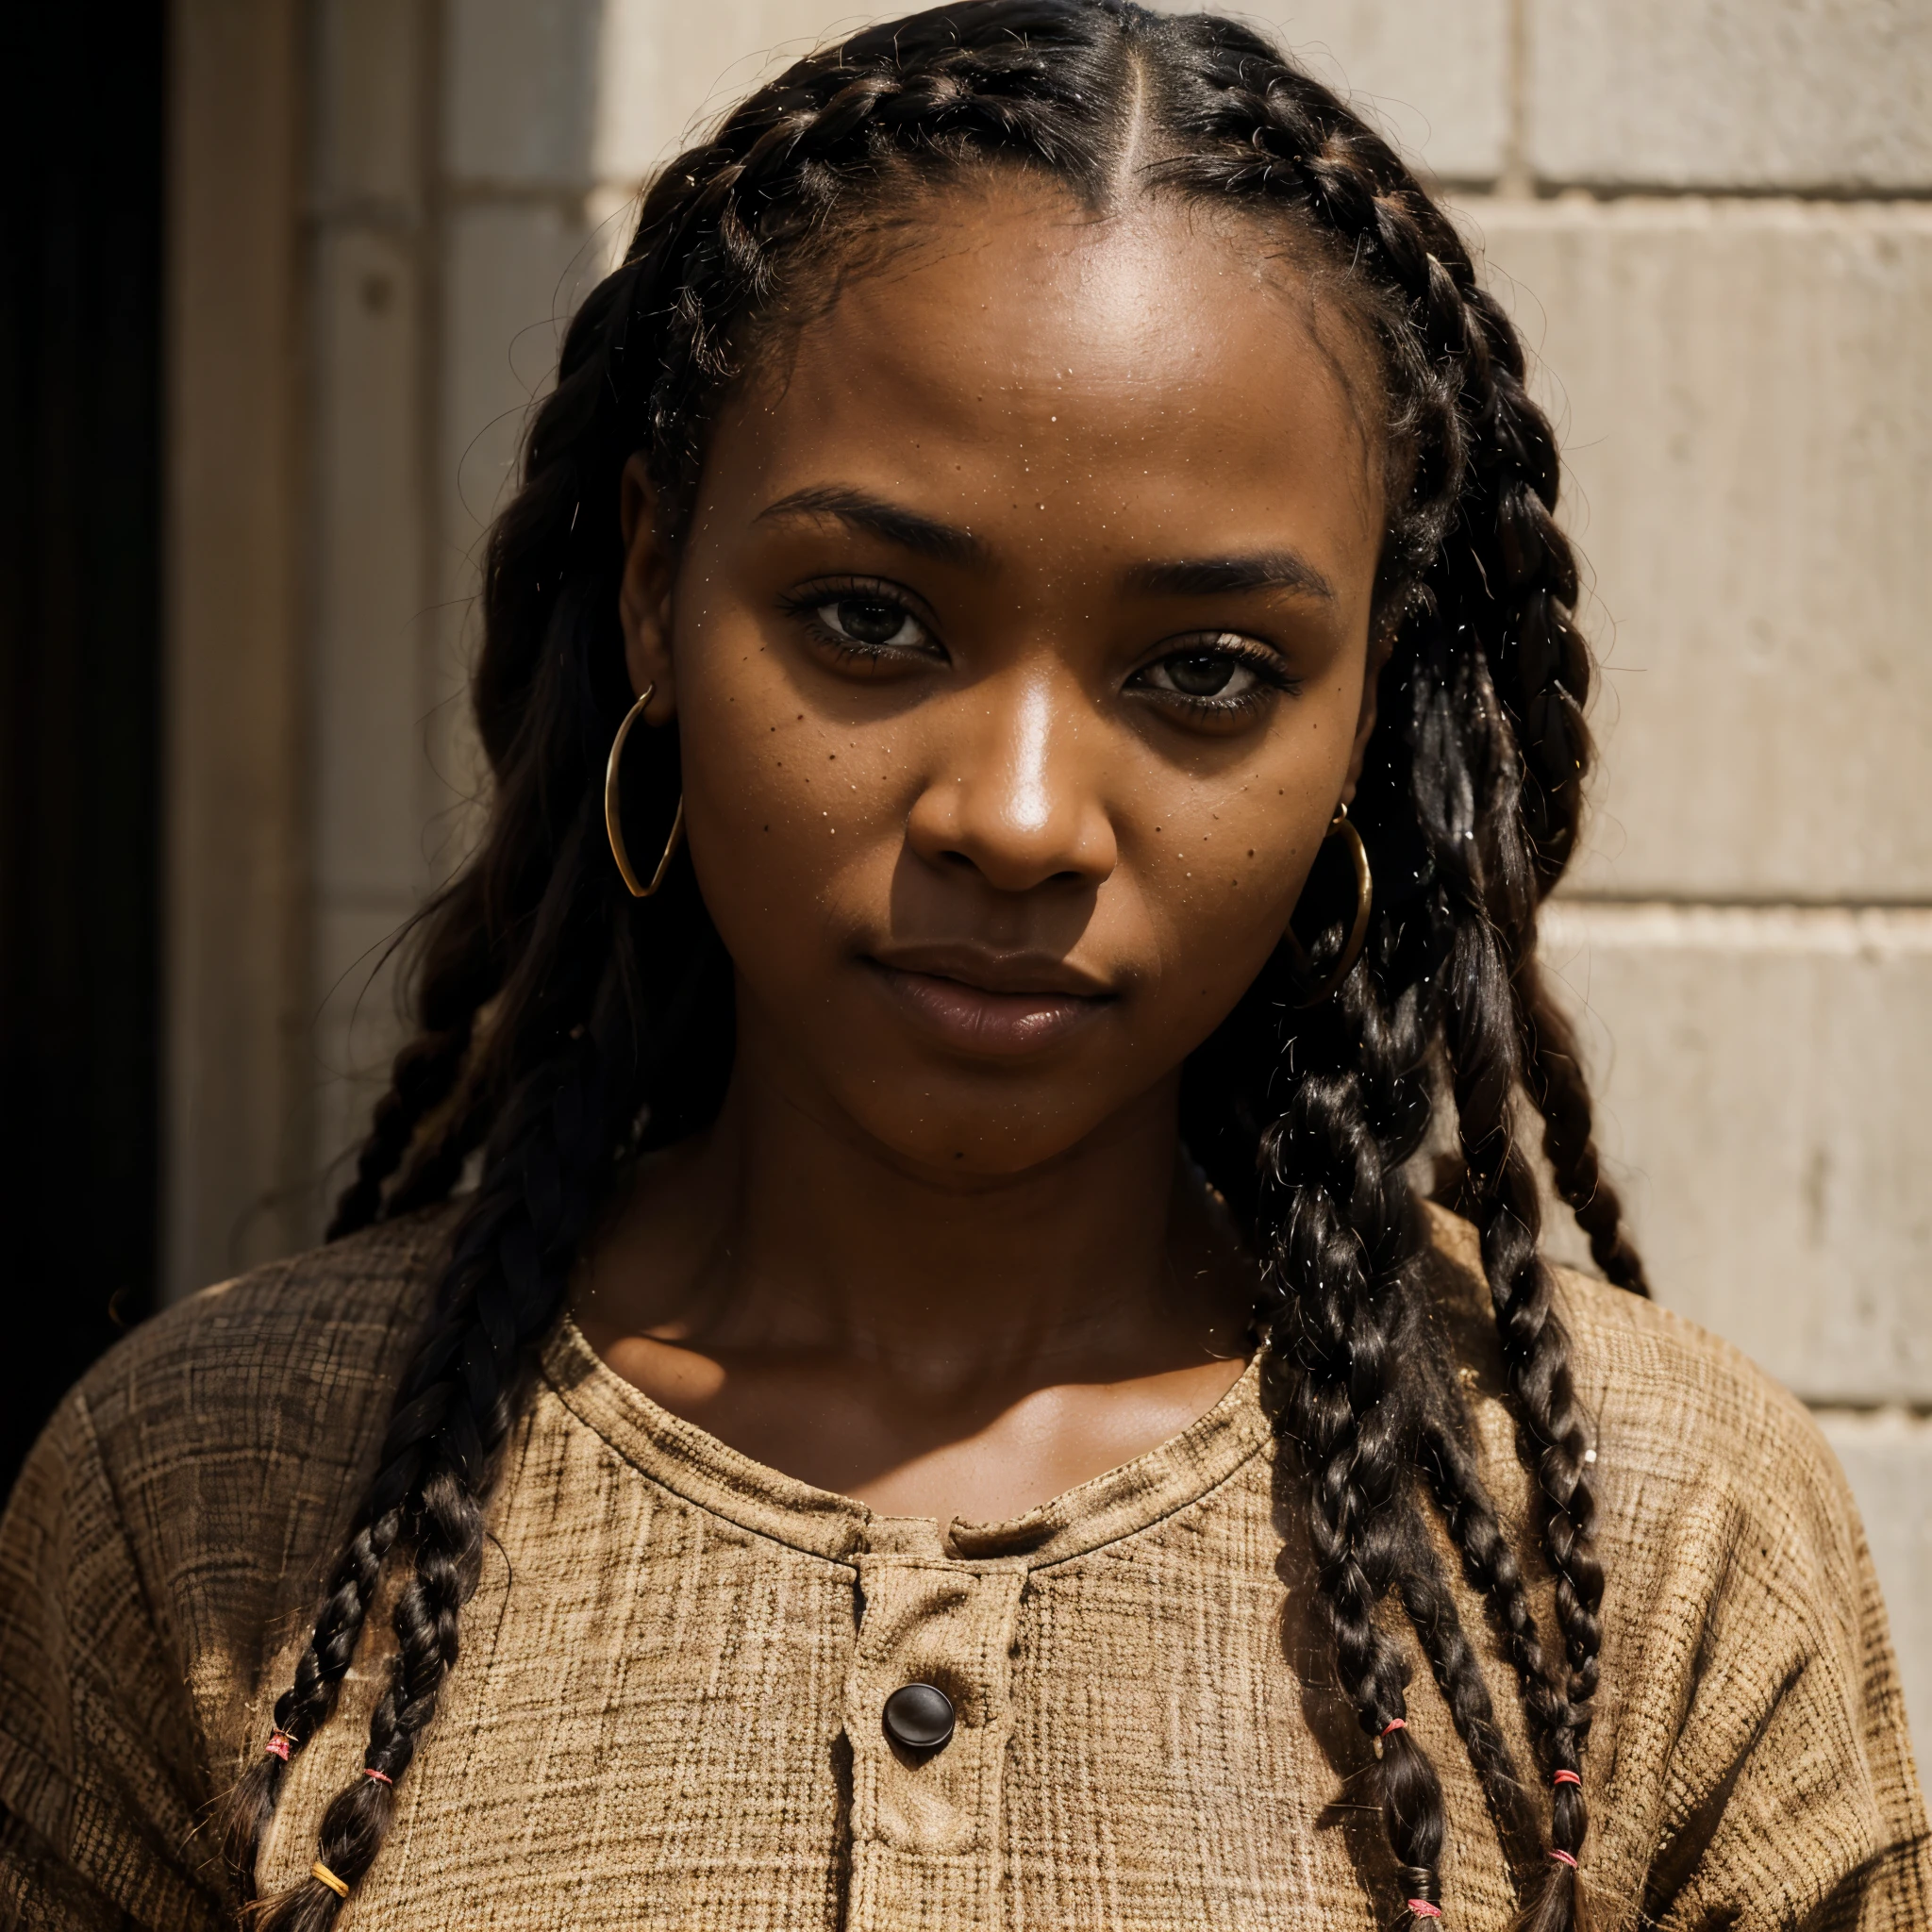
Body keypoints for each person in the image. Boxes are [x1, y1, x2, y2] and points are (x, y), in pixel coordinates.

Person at [2, 2, 1924, 1925]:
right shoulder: (217, 1499)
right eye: (867, 619)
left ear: (1362, 721)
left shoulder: (1663, 1540)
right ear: (658, 589)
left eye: (1204, 672)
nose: (1015, 817)